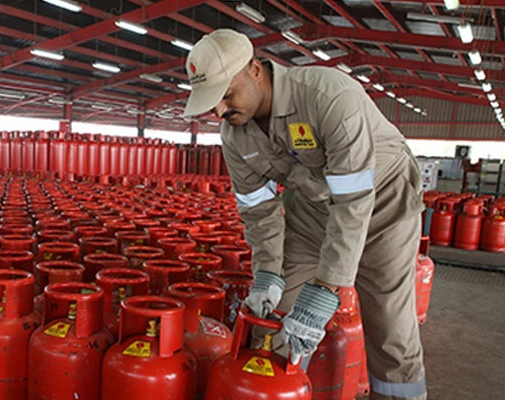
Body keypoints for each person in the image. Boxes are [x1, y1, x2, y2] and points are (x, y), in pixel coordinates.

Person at [182, 29, 426, 400]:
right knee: (279, 311)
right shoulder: (235, 137)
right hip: (313, 206)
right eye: (210, 103)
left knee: (389, 322)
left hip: (382, 202)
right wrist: (266, 273)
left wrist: (328, 287)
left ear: (255, 69)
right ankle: (280, 389)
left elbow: (353, 201)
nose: (219, 111)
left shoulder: (328, 96)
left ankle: (398, 395)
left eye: (225, 95)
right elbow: (258, 210)